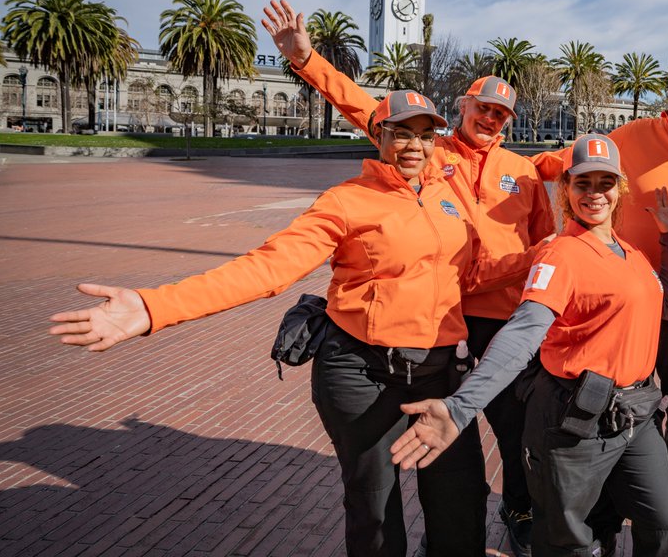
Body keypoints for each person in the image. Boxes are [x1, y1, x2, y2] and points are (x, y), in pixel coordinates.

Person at [48, 90, 537, 557]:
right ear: (379, 137)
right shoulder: (346, 200)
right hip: (362, 374)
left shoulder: (450, 199)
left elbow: (470, 275)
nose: (415, 146)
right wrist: (156, 306)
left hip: (438, 375)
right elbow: (268, 267)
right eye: (401, 133)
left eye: (426, 134)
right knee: (374, 510)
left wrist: (542, 256)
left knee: (462, 506)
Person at [262, 0, 555, 556]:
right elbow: (368, 109)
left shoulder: (524, 172)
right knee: (425, 460)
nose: (490, 119)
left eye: (501, 114)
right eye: (482, 108)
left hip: (498, 316)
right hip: (438, 313)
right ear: (463, 107)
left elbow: (540, 245)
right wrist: (307, 62)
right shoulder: (430, 149)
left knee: (516, 429)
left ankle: (517, 510)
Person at [391, 135, 668, 557]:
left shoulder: (631, 252)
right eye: (582, 183)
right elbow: (523, 333)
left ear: (619, 189)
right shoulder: (560, 254)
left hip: (634, 415)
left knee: (664, 527)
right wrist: (460, 408)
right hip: (576, 420)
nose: (594, 194)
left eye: (605, 182)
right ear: (565, 189)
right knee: (566, 540)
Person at [532, 58, 668, 542]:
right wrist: (482, 159)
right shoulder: (630, 137)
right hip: (625, 309)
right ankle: (600, 525)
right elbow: (562, 162)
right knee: (603, 414)